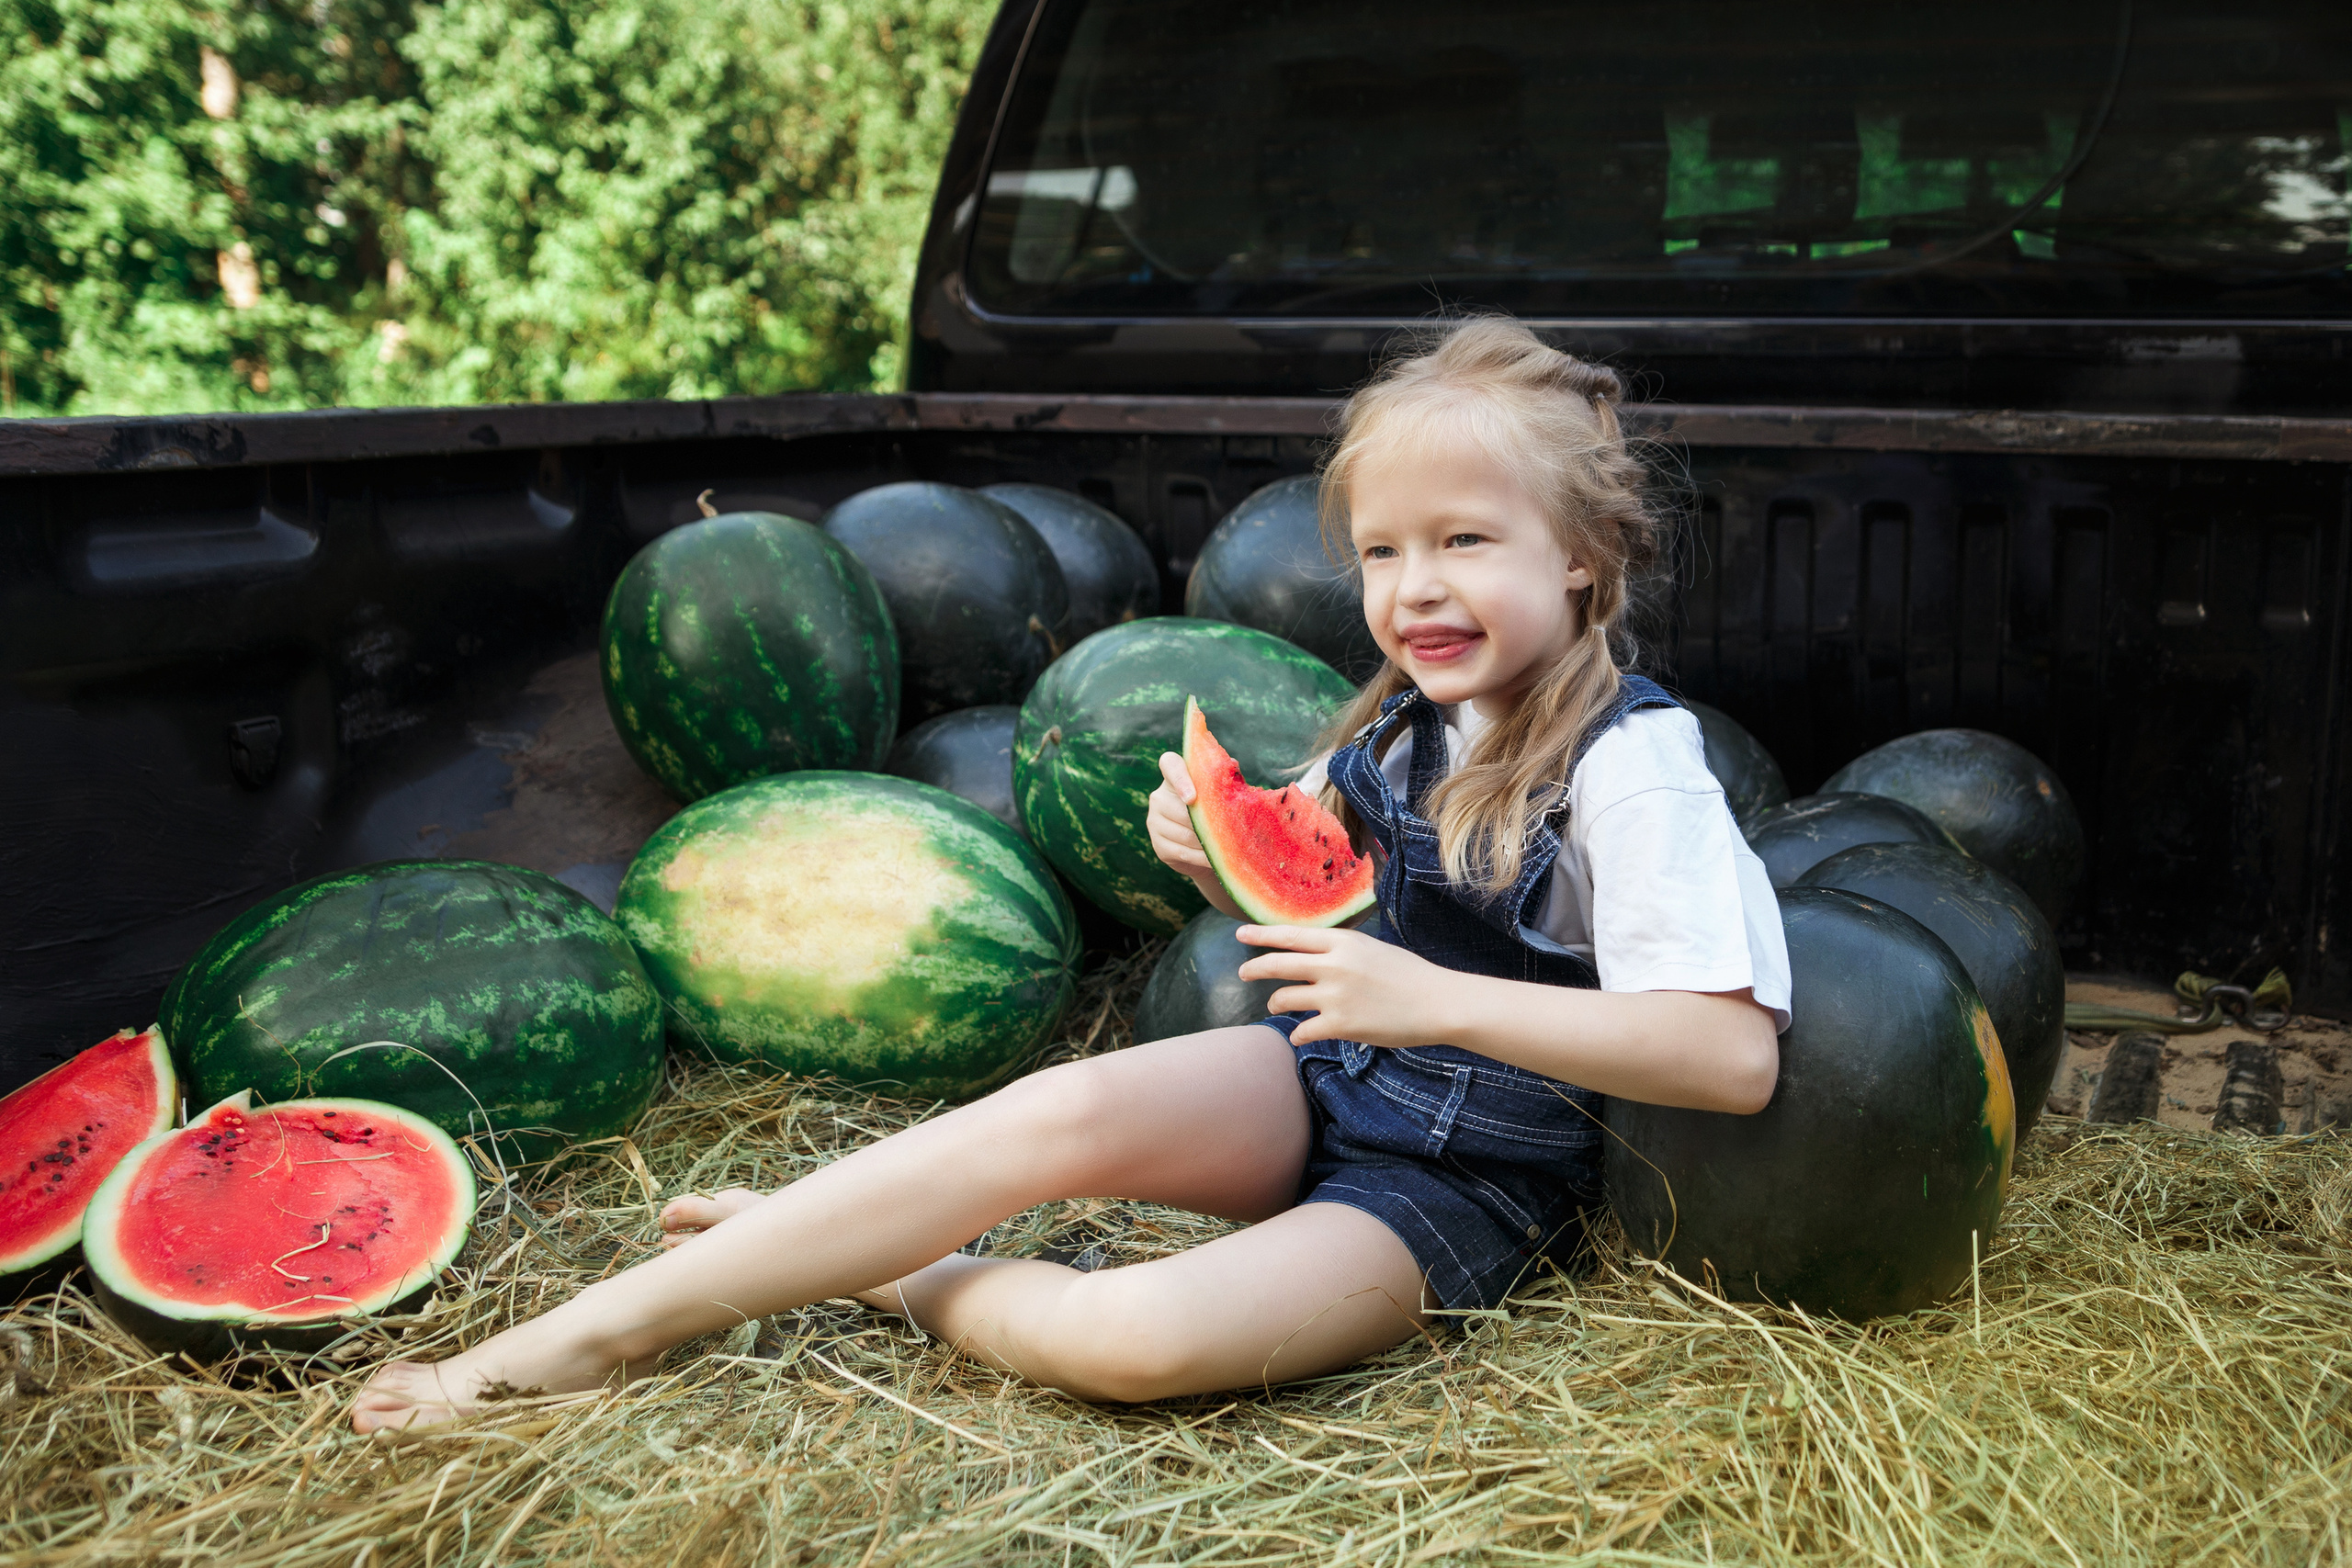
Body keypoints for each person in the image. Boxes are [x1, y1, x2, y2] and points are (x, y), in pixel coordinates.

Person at [350, 317, 1789, 1433]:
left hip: (1473, 1182)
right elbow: (1337, 918)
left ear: (1587, 558)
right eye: (1382, 551)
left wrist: (1432, 1002)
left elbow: (1724, 1056)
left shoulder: (1631, 769)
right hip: (1326, 1078)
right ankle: (601, 1330)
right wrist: (1219, 870)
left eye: (1466, 542)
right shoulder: (1409, 723)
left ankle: (894, 1271)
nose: (1414, 588)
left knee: (1136, 1342)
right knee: (1054, 1109)